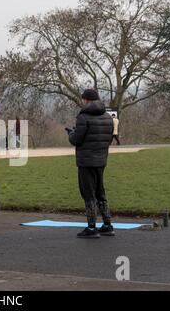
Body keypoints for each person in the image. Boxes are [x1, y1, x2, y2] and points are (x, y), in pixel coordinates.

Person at [67, 89, 114, 238]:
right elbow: (109, 139)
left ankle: (91, 226)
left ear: (86, 100)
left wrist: (70, 133)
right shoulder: (108, 117)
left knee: (88, 194)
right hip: (101, 159)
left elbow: (76, 140)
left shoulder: (83, 117)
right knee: (101, 192)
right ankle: (107, 224)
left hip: (86, 160)